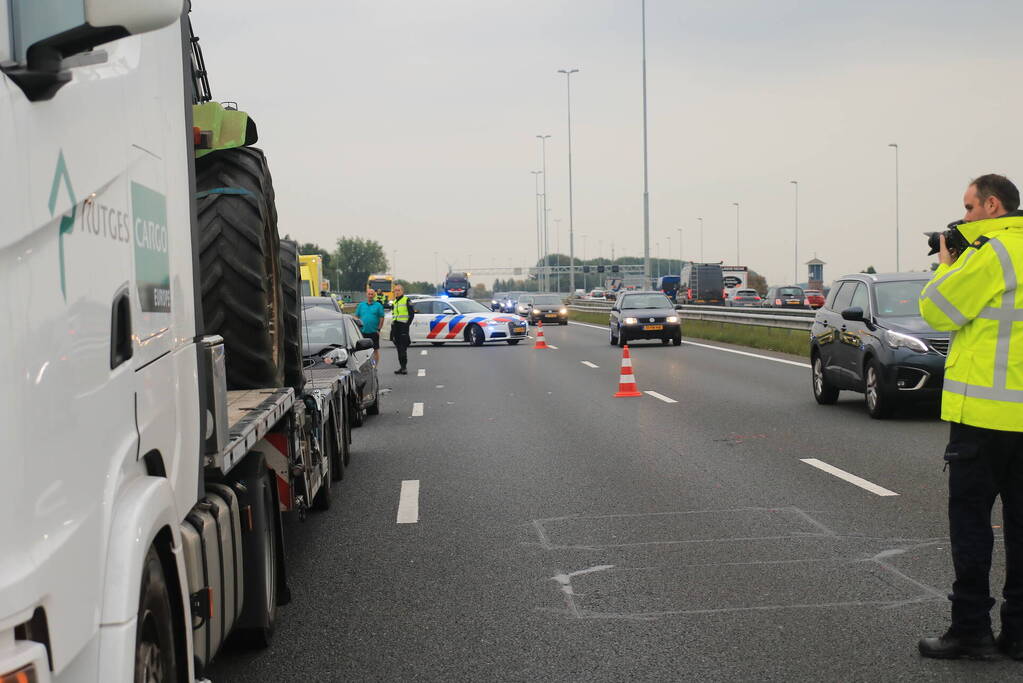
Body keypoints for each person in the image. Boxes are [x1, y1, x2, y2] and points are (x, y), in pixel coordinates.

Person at [918, 174, 1023, 660]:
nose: (962, 219)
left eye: (967, 207)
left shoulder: (992, 253)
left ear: (992, 205)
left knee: (973, 526)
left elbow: (938, 311)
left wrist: (945, 264)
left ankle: (971, 631)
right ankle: (1020, 635)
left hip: (985, 420)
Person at [389, 283, 414, 375]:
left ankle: (404, 367)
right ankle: (401, 366)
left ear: (402, 291)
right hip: (395, 326)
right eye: (395, 290)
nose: (397, 292)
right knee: (398, 348)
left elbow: (411, 314)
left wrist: (407, 325)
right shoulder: (394, 302)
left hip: (403, 326)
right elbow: (394, 315)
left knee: (403, 348)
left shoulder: (406, 300)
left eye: (398, 290)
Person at [354, 288, 385, 364]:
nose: (370, 296)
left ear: (374, 295)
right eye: (369, 294)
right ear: (366, 295)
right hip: (362, 332)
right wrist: (357, 327)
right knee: (361, 351)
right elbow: (356, 317)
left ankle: (374, 367)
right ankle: (363, 366)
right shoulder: (361, 305)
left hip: (374, 332)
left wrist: (379, 329)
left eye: (372, 294)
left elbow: (382, 317)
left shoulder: (378, 305)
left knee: (375, 350)